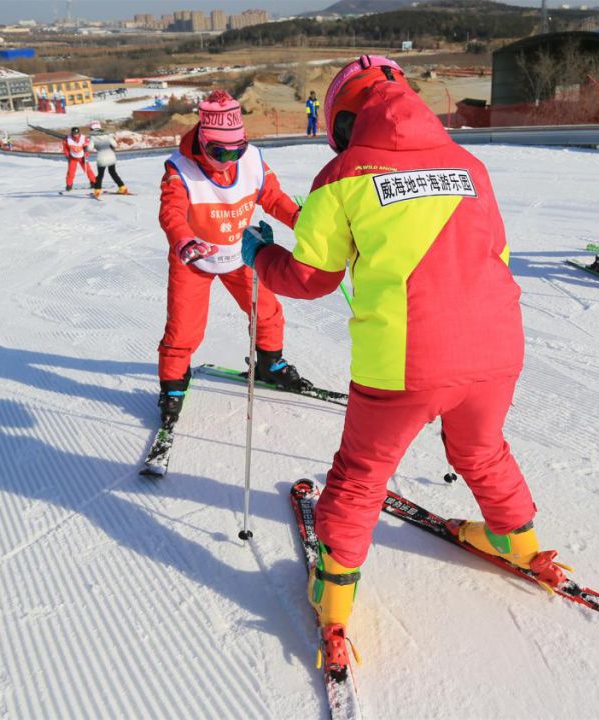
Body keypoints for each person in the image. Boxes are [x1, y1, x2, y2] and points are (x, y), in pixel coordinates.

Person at [242, 55, 570, 672]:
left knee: (362, 472)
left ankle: (334, 590)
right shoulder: (471, 166)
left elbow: (311, 278)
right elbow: (497, 250)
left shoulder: (342, 174)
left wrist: (260, 255)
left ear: (342, 120)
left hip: (406, 362)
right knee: (481, 449)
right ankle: (517, 539)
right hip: (499, 347)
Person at [155, 89, 309, 426]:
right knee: (184, 329)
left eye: (237, 149)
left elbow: (273, 197)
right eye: (218, 151)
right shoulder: (180, 170)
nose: (229, 160)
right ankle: (173, 385)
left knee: (268, 311)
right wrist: (184, 241)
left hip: (239, 254)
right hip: (195, 260)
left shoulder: (252, 160)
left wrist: (303, 221)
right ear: (202, 140)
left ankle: (270, 363)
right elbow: (172, 213)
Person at [88, 120, 128, 197]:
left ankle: (97, 191)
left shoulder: (92, 137)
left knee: (100, 175)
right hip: (111, 156)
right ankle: (122, 187)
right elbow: (115, 145)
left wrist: (86, 148)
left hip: (102, 157)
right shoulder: (107, 135)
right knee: (113, 172)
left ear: (91, 128)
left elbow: (89, 149)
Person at [62, 126, 96, 192]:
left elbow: (87, 147)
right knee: (71, 172)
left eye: (77, 134)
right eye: (74, 134)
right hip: (73, 157)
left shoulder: (83, 138)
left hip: (82, 157)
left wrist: (86, 154)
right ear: (72, 133)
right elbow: (65, 148)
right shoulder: (67, 139)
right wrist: (67, 155)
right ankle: (69, 185)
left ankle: (93, 182)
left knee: (88, 170)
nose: (76, 135)